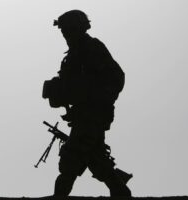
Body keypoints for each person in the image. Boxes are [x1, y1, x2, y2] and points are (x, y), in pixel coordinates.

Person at [45, 10, 132, 197]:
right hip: (84, 116)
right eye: (64, 31)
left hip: (92, 116)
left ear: (77, 28)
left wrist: (95, 100)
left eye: (68, 30)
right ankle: (121, 193)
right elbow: (73, 86)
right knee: (97, 160)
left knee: (70, 158)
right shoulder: (75, 54)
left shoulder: (92, 48)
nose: (65, 35)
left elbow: (116, 78)